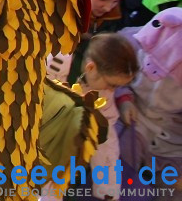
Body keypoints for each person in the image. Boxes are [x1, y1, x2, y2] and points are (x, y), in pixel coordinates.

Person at [42, 33, 139, 201]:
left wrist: (108, 191)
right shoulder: (50, 62)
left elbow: (105, 140)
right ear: (91, 68)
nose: (112, 90)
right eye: (111, 84)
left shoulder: (101, 94)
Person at [116, 7, 182, 198]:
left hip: (172, 140)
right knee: (113, 181)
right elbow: (107, 68)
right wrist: (123, 97)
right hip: (130, 123)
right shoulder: (131, 42)